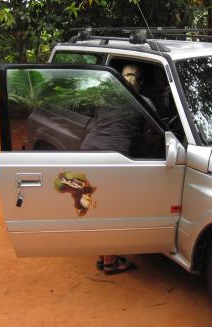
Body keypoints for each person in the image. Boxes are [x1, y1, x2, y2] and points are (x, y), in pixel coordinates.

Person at [81, 64, 152, 274]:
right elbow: (154, 129)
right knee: (112, 210)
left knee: (100, 207)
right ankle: (111, 263)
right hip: (113, 157)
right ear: (141, 81)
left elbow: (95, 117)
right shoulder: (143, 102)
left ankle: (103, 257)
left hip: (88, 149)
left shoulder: (104, 96)